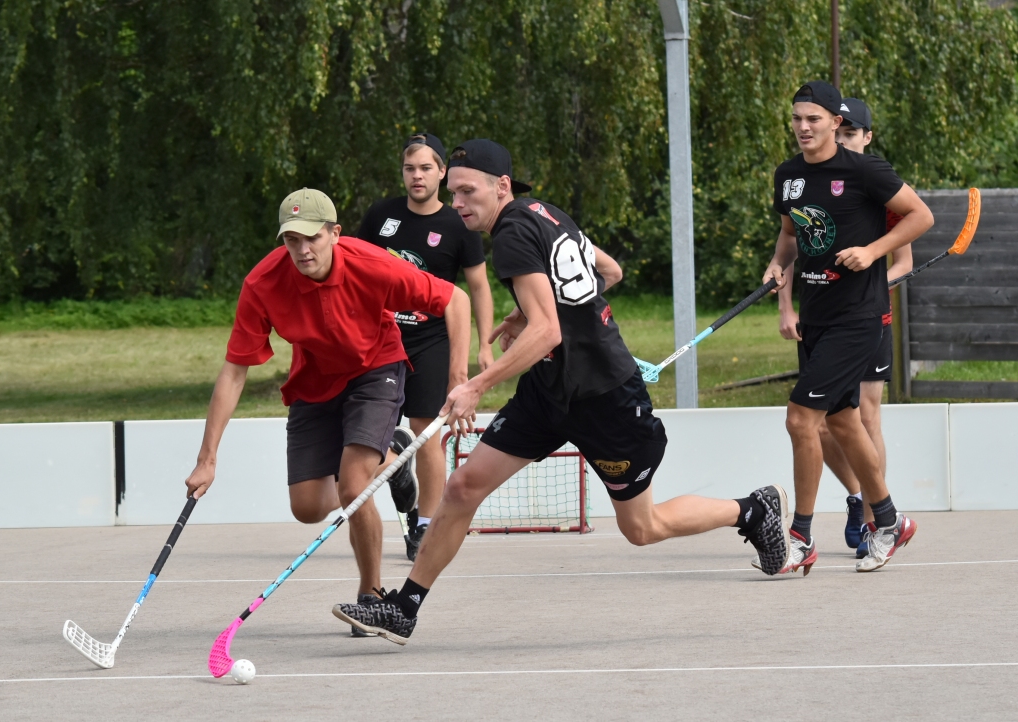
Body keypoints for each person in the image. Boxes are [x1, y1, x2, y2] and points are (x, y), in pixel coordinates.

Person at [331, 139, 793, 645]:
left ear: (501, 186)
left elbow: (548, 331)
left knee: (642, 528)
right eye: (454, 191)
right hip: (549, 392)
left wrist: (477, 384)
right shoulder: (545, 212)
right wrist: (526, 311)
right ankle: (405, 608)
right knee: (464, 487)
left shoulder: (508, 234)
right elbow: (608, 270)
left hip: (604, 397)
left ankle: (752, 509)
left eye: (467, 191)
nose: (458, 201)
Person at [184, 187, 471, 607]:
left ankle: (372, 595)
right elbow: (234, 372)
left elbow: (456, 300)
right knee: (308, 507)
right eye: (291, 240)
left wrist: (458, 378)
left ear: (335, 233)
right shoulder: (263, 283)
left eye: (312, 238)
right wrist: (207, 460)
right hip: (315, 380)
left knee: (353, 486)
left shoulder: (371, 264)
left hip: (376, 369)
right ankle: (391, 457)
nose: (302, 250)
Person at [762, 81, 933, 575]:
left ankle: (800, 537)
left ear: (836, 123)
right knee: (840, 421)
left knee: (800, 419)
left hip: (858, 316)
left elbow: (921, 216)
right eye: (796, 119)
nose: (802, 128)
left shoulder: (865, 170)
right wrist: (777, 264)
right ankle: (889, 520)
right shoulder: (789, 175)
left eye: (812, 119)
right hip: (815, 316)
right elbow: (791, 233)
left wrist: (874, 251)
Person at [356, 133, 495, 561]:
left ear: (441, 173)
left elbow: (478, 287)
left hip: (431, 340)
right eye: (409, 168)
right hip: (380, 339)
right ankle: (397, 467)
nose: (416, 176)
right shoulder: (381, 215)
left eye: (425, 168)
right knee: (367, 437)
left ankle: (422, 526)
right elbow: (353, 270)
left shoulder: (459, 223)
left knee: (427, 434)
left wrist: (484, 346)